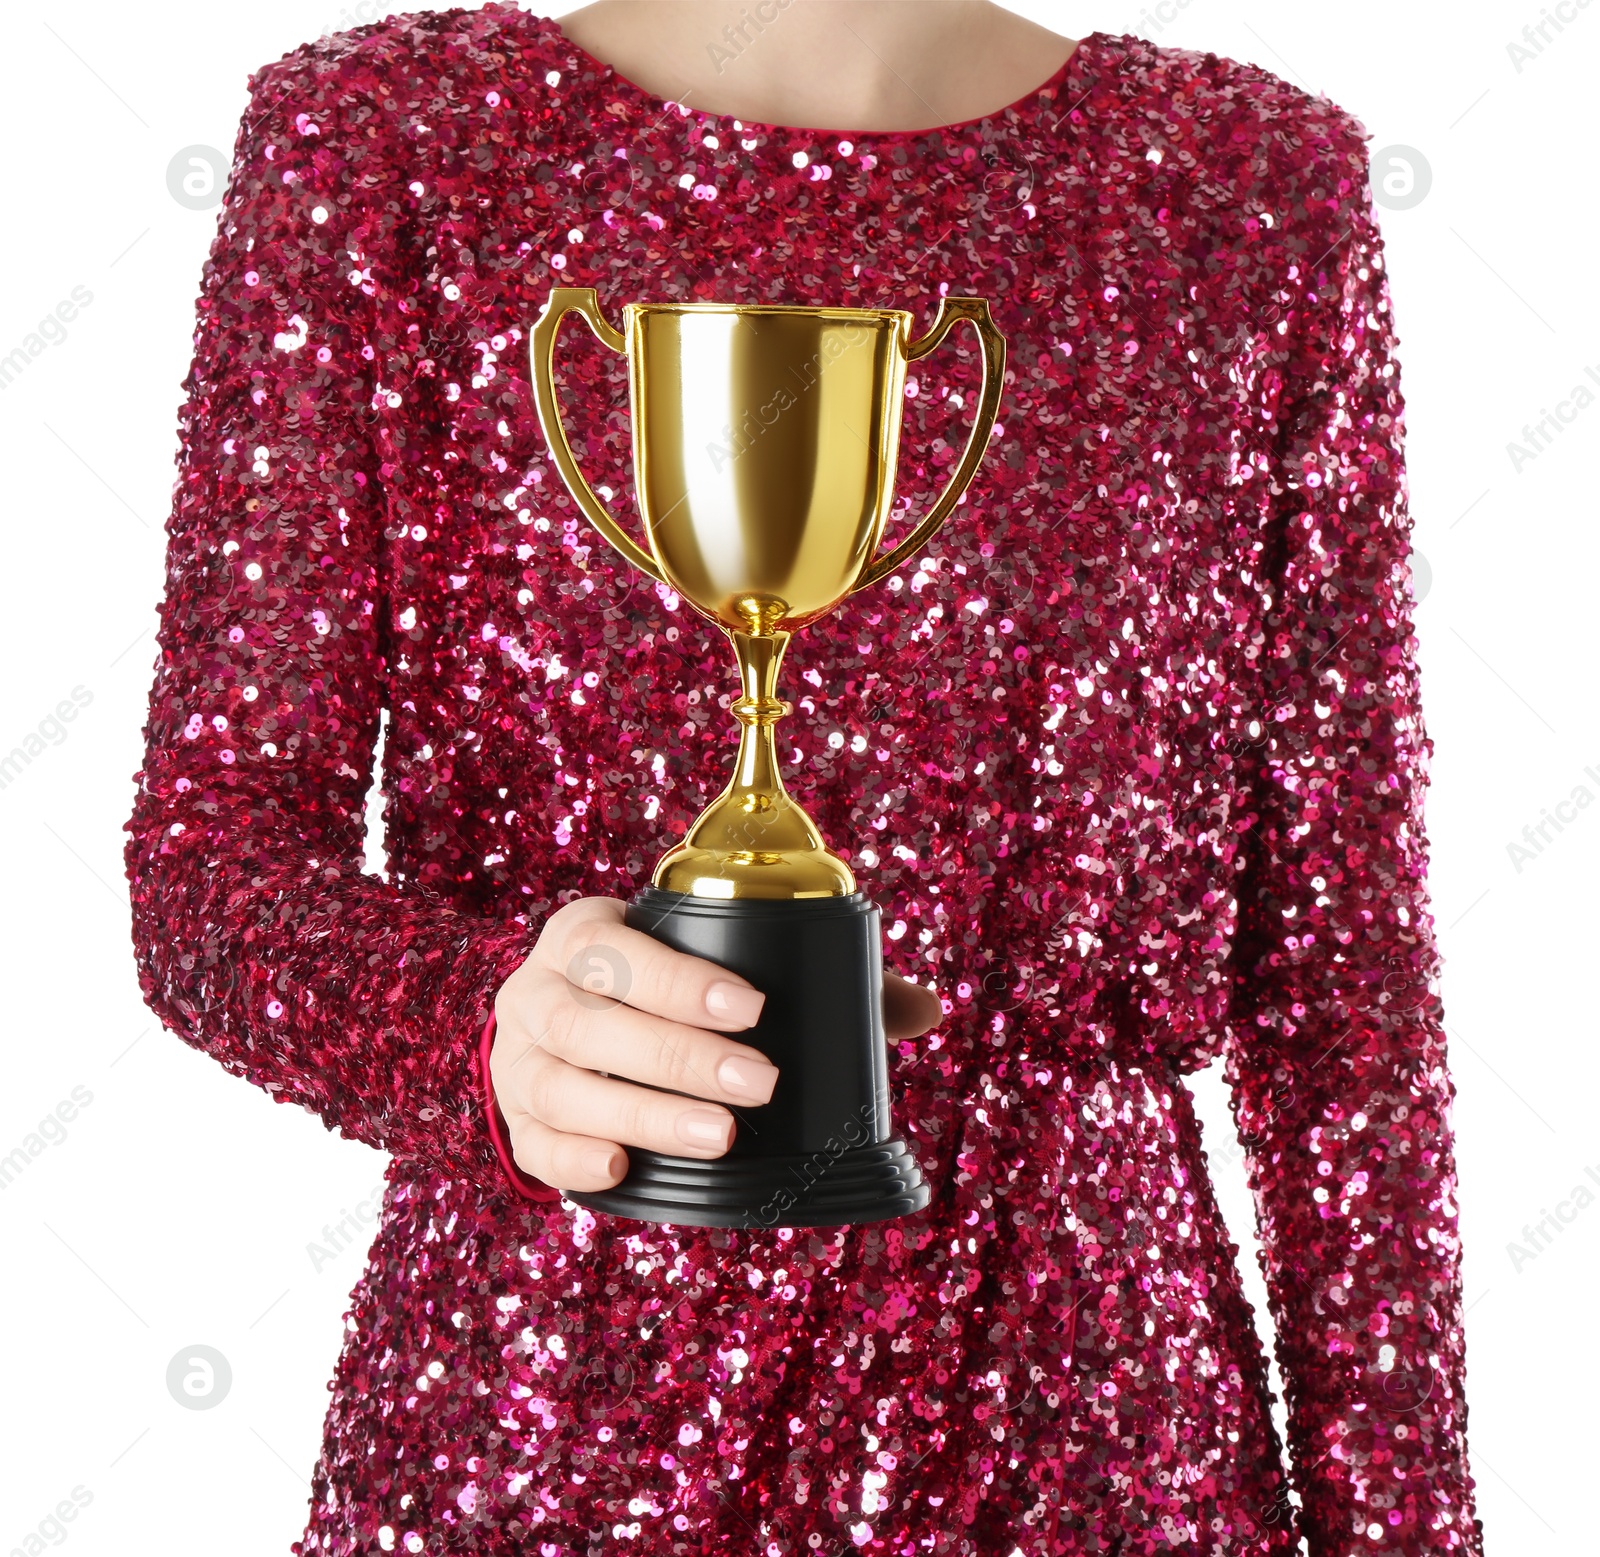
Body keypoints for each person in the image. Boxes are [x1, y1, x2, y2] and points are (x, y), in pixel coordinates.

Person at [124, 2, 1483, 1551]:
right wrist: (483, 1031)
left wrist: (1411, 1530)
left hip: (1103, 1430)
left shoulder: (1252, 191)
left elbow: (1341, 998)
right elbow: (211, 858)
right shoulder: (388, 146)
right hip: (546, 1422)